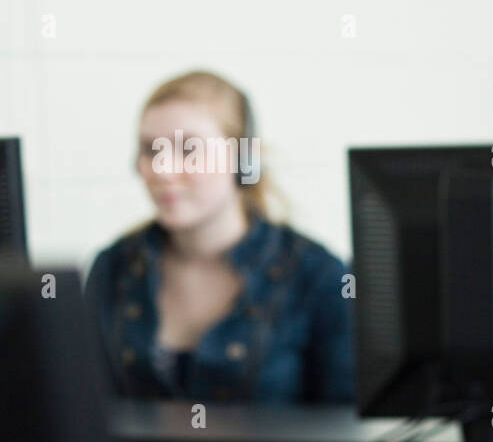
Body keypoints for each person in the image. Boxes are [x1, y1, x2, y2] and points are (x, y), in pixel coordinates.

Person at [85, 70, 354, 407]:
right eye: (151, 150)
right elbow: (84, 409)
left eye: (189, 149)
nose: (164, 170)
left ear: (243, 160)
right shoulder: (114, 267)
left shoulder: (319, 275)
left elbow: (348, 428)